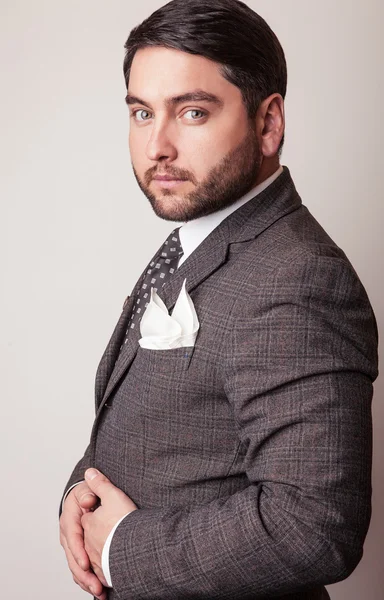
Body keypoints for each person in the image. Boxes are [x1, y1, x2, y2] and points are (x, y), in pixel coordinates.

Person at [58, 1, 379, 599]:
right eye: (141, 112)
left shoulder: (299, 278)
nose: (157, 145)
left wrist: (121, 548)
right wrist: (81, 498)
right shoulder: (200, 240)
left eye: (193, 112)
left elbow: (315, 526)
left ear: (268, 123)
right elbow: (161, 424)